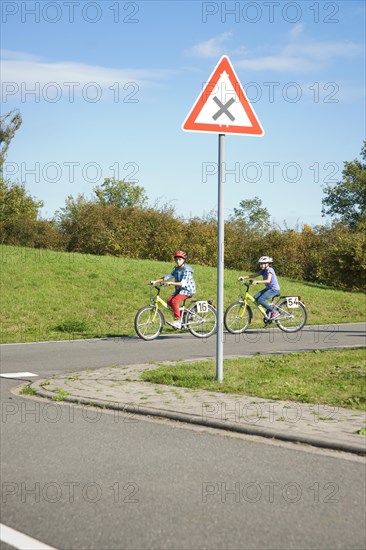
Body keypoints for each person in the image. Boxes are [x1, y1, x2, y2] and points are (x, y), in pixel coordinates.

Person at [151, 251, 196, 329]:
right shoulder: (176, 269)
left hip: (187, 290)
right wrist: (156, 281)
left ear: (184, 260)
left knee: (174, 301)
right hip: (180, 290)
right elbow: (167, 277)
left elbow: (183, 283)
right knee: (169, 301)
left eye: (179, 259)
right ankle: (184, 315)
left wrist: (171, 283)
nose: (177, 261)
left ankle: (178, 321)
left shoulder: (187, 270)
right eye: (176, 259)